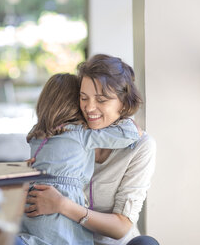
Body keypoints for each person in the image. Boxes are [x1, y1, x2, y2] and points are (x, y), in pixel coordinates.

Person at [25, 54, 159, 245]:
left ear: (124, 102)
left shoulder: (141, 146)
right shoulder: (68, 134)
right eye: (83, 97)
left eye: (102, 100)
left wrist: (63, 205)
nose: (89, 108)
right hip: (63, 238)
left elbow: (122, 227)